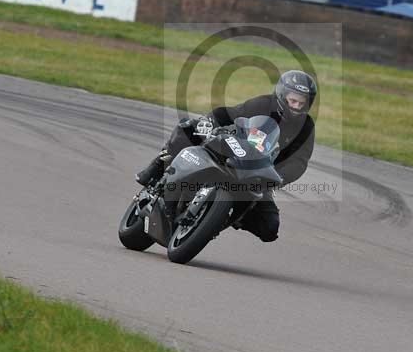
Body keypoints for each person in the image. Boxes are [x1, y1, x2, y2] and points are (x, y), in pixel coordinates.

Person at [135, 70, 317, 242]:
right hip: (234, 150)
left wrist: (279, 178)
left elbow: (300, 162)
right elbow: (229, 113)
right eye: (293, 101)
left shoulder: (306, 127)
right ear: (282, 95)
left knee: (270, 228)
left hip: (260, 174)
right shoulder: (263, 104)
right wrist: (209, 122)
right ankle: (158, 166)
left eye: (302, 103)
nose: (297, 106)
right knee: (190, 126)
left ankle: (227, 217)